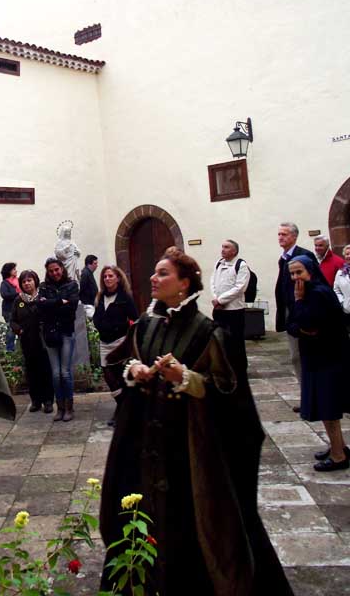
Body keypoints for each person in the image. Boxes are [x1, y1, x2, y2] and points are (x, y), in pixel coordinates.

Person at [100, 247, 293, 596]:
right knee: (144, 516)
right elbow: (124, 361)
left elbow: (230, 395)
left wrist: (185, 377)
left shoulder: (208, 332)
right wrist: (137, 370)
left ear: (184, 284)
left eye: (162, 274)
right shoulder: (146, 324)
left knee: (187, 524)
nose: (153, 279)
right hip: (146, 444)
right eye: (154, 273)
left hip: (188, 450)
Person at [288, 255, 350, 471]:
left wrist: (298, 302)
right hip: (318, 357)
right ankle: (339, 445)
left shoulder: (317, 294)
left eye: (299, 272)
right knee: (327, 406)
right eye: (293, 274)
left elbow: (307, 325)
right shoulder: (311, 293)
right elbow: (294, 326)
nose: (296, 277)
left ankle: (338, 455)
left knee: (328, 408)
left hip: (327, 358)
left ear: (310, 271)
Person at [275, 222, 318, 408]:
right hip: (291, 313)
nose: (280, 237)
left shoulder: (304, 255)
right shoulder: (283, 258)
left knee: (307, 355)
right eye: (279, 234)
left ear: (294, 236)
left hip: (303, 312)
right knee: (296, 357)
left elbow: (314, 282)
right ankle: (306, 395)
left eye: (284, 234)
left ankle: (313, 396)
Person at [93, 265, 138, 426]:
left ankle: (123, 411)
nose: (107, 279)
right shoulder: (100, 296)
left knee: (120, 376)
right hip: (104, 341)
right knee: (109, 376)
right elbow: (97, 316)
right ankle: (122, 406)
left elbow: (135, 318)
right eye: (105, 276)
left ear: (118, 278)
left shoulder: (124, 297)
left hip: (120, 341)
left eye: (110, 276)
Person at [37, 258, 79, 421]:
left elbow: (72, 307)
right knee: (55, 374)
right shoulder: (44, 287)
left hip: (67, 332)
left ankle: (69, 408)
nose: (54, 273)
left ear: (62, 268)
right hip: (51, 333)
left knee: (65, 373)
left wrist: (51, 304)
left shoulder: (72, 285)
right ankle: (60, 408)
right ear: (47, 272)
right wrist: (60, 302)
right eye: (51, 270)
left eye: (57, 269)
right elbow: (40, 306)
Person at [10, 270, 54, 414]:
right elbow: (13, 320)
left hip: (42, 341)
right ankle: (36, 401)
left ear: (35, 281)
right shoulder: (19, 301)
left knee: (45, 370)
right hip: (27, 341)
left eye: (29, 280)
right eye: (23, 281)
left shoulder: (42, 297)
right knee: (31, 372)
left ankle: (48, 401)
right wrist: (18, 330)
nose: (26, 283)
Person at [210, 239, 250, 381]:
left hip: (234, 311)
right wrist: (215, 298)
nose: (223, 249)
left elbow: (240, 288)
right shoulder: (218, 263)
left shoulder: (241, 265)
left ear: (234, 251)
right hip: (219, 310)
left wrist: (221, 300)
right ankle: (223, 368)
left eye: (226, 247)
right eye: (222, 247)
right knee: (220, 341)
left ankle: (239, 370)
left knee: (236, 342)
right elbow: (213, 282)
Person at [0, 262, 20, 352]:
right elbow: (5, 295)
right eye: (14, 269)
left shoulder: (19, 281)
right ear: (9, 271)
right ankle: (10, 351)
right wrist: (18, 294)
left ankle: (21, 351)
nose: (16, 271)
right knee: (11, 331)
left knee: (21, 330)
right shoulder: (5, 283)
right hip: (9, 310)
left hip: (20, 309)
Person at [333, 243, 350, 324]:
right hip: (348, 311)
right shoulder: (340, 272)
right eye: (347, 254)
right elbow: (336, 290)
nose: (349, 256)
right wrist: (343, 303)